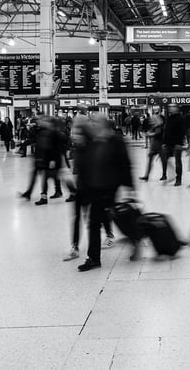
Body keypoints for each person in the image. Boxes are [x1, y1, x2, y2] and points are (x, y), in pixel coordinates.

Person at [75, 114, 134, 271]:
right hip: (94, 188)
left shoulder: (116, 141)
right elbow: (87, 164)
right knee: (95, 223)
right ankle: (94, 258)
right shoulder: (93, 142)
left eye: (96, 122)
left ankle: (135, 238)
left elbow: (125, 164)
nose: (93, 124)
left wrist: (129, 188)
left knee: (116, 218)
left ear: (104, 125)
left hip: (110, 188)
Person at [20, 116, 63, 205]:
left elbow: (55, 148)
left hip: (48, 159)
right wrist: (23, 144)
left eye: (43, 120)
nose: (40, 122)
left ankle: (47, 195)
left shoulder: (54, 133)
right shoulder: (40, 131)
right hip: (41, 157)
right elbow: (34, 139)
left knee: (50, 177)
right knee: (38, 176)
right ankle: (30, 193)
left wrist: (53, 160)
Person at [162, 104, 187, 186]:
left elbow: (183, 131)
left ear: (177, 108)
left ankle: (178, 178)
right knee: (165, 158)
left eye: (173, 107)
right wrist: (164, 142)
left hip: (177, 143)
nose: (170, 108)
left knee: (178, 161)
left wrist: (179, 143)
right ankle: (170, 174)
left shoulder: (180, 119)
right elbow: (166, 130)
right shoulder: (169, 118)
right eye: (170, 107)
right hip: (169, 143)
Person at [139, 109, 164, 182]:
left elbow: (158, 133)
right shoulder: (155, 126)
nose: (151, 121)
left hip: (158, 145)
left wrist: (150, 134)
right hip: (155, 145)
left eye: (152, 120)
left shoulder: (158, 126)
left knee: (164, 161)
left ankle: (165, 174)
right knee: (157, 161)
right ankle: (147, 175)